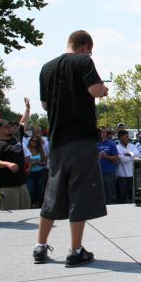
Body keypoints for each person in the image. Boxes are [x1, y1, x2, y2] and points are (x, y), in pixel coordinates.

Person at [34, 30, 109, 267]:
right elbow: (95, 90)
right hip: (80, 139)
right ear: (85, 47)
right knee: (80, 194)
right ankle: (76, 251)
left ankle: (40, 247)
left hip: (57, 141)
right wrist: (103, 89)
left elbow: (45, 104)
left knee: (53, 193)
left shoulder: (46, 67)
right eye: (90, 51)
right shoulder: (83, 61)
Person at [0, 118, 31, 210]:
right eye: (7, 127)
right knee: (11, 213)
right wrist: (7, 164)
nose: (11, 129)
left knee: (26, 210)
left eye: (11, 126)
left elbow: (23, 123)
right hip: (6, 186)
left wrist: (27, 111)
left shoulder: (16, 137)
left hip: (21, 184)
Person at [115, 130, 139, 204]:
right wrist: (132, 156)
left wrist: (129, 154)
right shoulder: (117, 147)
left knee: (133, 196)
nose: (128, 138)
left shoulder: (132, 146)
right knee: (122, 197)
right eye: (126, 137)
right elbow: (123, 160)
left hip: (132, 175)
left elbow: (138, 155)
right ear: (121, 138)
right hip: (122, 177)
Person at [25, 134, 49, 208]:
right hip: (30, 173)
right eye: (33, 140)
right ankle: (31, 205)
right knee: (30, 190)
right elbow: (24, 162)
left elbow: (45, 163)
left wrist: (37, 162)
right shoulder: (26, 150)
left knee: (41, 191)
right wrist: (30, 164)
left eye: (36, 141)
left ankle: (41, 206)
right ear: (30, 141)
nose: (34, 142)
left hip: (41, 172)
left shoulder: (40, 150)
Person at [97, 126, 118, 205]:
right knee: (98, 192)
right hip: (97, 173)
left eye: (104, 132)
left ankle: (112, 206)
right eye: (100, 132)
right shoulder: (94, 143)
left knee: (110, 192)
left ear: (106, 133)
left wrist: (106, 156)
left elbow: (116, 158)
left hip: (108, 172)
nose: (102, 134)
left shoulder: (111, 144)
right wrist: (98, 156)